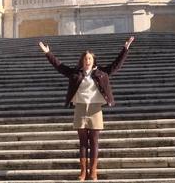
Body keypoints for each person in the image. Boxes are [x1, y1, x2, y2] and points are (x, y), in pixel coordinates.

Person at [39, 36, 135, 181]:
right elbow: (59, 66)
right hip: (80, 108)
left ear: (93, 60)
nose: (87, 61)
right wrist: (48, 53)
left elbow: (116, 65)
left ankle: (93, 171)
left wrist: (125, 48)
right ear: (82, 61)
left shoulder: (101, 73)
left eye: (90, 58)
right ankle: (83, 171)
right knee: (83, 142)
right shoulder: (75, 74)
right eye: (85, 59)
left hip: (96, 109)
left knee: (94, 141)